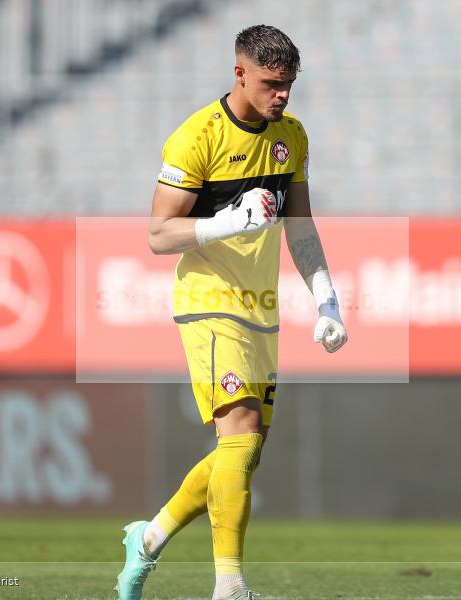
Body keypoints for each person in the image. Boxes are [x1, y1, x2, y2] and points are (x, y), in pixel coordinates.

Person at [116, 24, 347, 600]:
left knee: (241, 454)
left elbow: (301, 227)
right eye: (271, 84)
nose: (282, 95)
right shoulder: (196, 138)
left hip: (259, 307)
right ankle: (230, 587)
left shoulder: (291, 136)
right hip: (208, 302)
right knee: (240, 443)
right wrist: (225, 222)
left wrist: (327, 299)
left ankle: (148, 538)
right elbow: (158, 234)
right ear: (240, 73)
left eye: (289, 85)